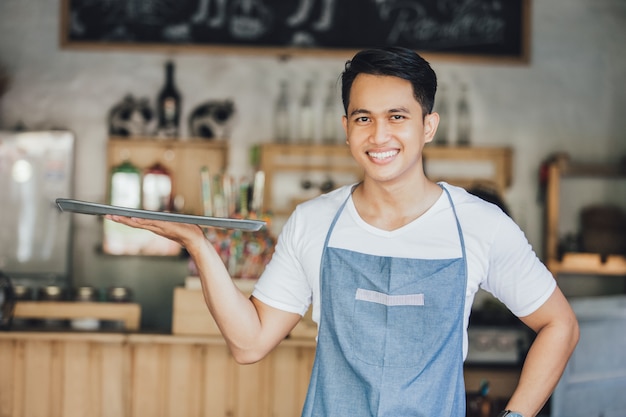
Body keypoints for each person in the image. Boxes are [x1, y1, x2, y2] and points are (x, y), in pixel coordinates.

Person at [109, 46, 579, 417]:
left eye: (397, 117)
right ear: (346, 128)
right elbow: (249, 344)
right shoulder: (314, 222)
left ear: (428, 126)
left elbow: (559, 325)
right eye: (363, 118)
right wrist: (197, 242)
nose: (379, 135)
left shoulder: (479, 224)